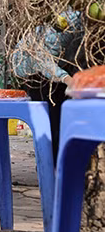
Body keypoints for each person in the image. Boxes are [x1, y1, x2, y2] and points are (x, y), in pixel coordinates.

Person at [12, 10, 85, 159]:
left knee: (62, 120)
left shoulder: (84, 24)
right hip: (34, 72)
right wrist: (67, 79)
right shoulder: (66, 22)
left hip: (58, 69)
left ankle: (59, 167)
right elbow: (43, 61)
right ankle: (51, 171)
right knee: (52, 123)